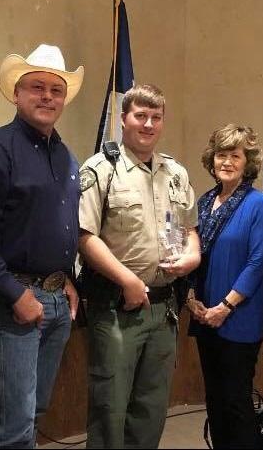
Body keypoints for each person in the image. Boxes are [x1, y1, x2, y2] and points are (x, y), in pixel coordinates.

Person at [0, 44, 82, 449]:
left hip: (58, 298)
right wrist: (16, 295)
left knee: (34, 411)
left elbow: (62, 228)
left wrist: (68, 280)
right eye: (37, 87)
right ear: (17, 93)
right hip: (14, 300)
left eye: (56, 90)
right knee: (13, 422)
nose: (47, 96)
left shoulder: (66, 157)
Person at [78, 83, 201, 449]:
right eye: (140, 116)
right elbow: (84, 236)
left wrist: (192, 256)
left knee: (151, 406)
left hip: (164, 308)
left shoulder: (175, 173)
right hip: (117, 306)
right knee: (110, 406)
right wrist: (128, 280)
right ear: (123, 118)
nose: (148, 124)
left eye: (156, 117)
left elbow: (190, 230)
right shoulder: (101, 169)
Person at [187, 124, 263, 448]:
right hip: (205, 315)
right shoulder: (205, 201)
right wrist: (191, 298)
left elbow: (257, 262)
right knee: (215, 400)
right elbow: (194, 254)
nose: (226, 162)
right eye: (221, 154)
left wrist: (226, 306)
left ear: (247, 161)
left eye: (234, 155)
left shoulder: (259, 204)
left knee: (237, 402)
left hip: (238, 317)